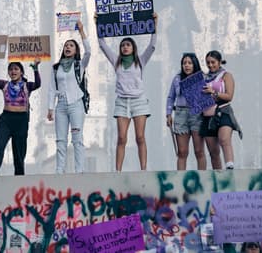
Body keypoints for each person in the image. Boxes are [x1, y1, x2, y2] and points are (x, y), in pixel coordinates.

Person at [97, 14, 158, 172]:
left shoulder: (141, 61)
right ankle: (118, 171)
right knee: (122, 138)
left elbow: (152, 47)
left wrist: (154, 24)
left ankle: (143, 169)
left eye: (128, 45)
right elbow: (103, 45)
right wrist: (98, 23)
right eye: (123, 45)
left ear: (133, 48)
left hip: (139, 101)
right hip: (122, 102)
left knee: (140, 137)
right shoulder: (116, 61)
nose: (125, 47)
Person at [0, 57, 41, 175]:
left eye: (16, 69)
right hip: (6, 119)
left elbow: (38, 84)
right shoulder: (5, 85)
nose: (13, 72)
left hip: (21, 121)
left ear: (21, 72)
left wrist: (36, 68)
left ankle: (19, 177)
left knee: (19, 152)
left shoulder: (27, 86)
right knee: (0, 146)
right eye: (10, 69)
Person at [47, 21, 90, 174]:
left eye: (71, 45)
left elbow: (89, 52)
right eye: (66, 45)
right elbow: (52, 89)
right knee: (60, 140)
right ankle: (59, 170)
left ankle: (79, 170)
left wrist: (81, 30)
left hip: (76, 104)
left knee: (77, 139)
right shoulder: (56, 68)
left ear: (76, 49)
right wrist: (50, 108)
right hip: (61, 106)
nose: (68, 47)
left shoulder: (79, 65)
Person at [200, 51, 242, 170]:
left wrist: (213, 92)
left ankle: (229, 166)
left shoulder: (226, 75)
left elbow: (229, 96)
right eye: (208, 62)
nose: (210, 65)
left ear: (219, 62)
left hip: (223, 111)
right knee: (213, 151)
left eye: (213, 62)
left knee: (224, 139)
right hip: (208, 114)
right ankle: (218, 175)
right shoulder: (204, 77)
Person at [166, 52, 207, 170]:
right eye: (184, 63)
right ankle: (180, 182)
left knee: (199, 151)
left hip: (196, 113)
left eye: (189, 63)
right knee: (182, 152)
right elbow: (170, 97)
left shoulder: (201, 77)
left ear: (195, 64)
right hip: (180, 114)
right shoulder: (177, 78)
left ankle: (202, 180)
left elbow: (206, 96)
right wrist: (168, 114)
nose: (187, 65)